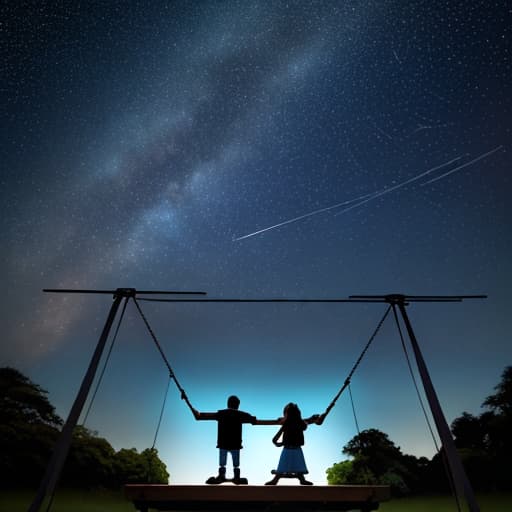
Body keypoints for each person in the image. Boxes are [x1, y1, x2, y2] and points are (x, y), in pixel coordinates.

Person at [193, 395, 276, 484]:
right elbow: (257, 422)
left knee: (222, 462)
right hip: (235, 444)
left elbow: (201, 416)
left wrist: (194, 410)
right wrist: (276, 422)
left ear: (228, 403)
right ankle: (236, 477)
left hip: (223, 443)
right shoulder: (241, 414)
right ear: (238, 405)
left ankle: (222, 476)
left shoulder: (221, 413)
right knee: (236, 463)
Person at [265, 402, 324, 485]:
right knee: (285, 465)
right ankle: (277, 479)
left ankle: (298, 479)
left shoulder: (294, 424)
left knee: (292, 465)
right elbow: (275, 438)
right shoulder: (295, 424)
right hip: (291, 448)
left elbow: (275, 438)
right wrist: (278, 442)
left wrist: (277, 442)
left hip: (293, 448)